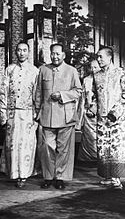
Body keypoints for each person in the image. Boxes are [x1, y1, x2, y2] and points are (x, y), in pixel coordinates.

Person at [35, 43, 82, 190]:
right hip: (47, 115)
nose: (55, 56)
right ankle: (48, 177)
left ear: (64, 55)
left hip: (65, 116)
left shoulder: (72, 71)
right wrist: (36, 111)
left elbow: (78, 91)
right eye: (52, 53)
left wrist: (62, 95)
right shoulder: (43, 70)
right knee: (47, 146)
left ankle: (60, 177)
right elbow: (38, 92)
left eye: (57, 54)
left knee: (63, 149)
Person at [0, 41, 38, 188]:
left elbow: (37, 95)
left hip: (28, 114)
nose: (21, 53)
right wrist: (3, 116)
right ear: (15, 52)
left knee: (26, 145)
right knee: (12, 144)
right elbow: (3, 94)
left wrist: (36, 117)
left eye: (24, 50)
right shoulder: (10, 70)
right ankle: (14, 174)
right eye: (19, 50)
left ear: (28, 53)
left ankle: (24, 175)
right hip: (12, 114)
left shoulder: (35, 71)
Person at [93, 46, 125, 190]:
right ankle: (107, 176)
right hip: (102, 119)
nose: (98, 59)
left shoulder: (120, 74)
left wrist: (115, 113)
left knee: (116, 148)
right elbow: (93, 95)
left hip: (116, 119)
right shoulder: (96, 76)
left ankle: (116, 178)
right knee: (103, 148)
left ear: (110, 57)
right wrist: (92, 108)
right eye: (97, 57)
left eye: (101, 56)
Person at [77, 58, 100, 162]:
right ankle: (87, 158)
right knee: (88, 136)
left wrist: (94, 109)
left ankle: (99, 158)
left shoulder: (102, 79)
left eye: (96, 67)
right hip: (87, 111)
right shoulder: (87, 80)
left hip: (98, 112)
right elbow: (82, 97)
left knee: (98, 136)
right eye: (92, 67)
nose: (93, 69)